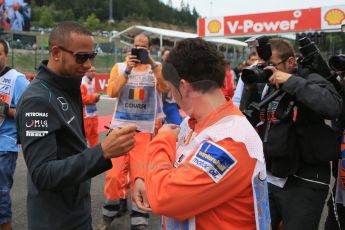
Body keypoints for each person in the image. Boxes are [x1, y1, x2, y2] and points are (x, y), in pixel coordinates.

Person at [133, 38, 271, 229]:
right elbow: (175, 164)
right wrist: (142, 176)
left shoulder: (231, 141)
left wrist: (161, 140)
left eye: (172, 90)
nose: (173, 96)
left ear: (183, 86)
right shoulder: (194, 122)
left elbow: (164, 197)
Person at [15, 21, 138, 230]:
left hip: (76, 210)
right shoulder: (38, 99)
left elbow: (70, 150)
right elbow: (43, 174)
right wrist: (103, 151)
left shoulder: (66, 87)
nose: (89, 65)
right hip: (55, 221)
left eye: (92, 56)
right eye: (82, 57)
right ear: (56, 53)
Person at [254, 38, 342, 230]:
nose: (268, 70)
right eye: (264, 65)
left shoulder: (309, 78)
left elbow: (333, 106)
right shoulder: (267, 84)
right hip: (271, 174)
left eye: (272, 65)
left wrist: (291, 81)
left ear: (291, 62)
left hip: (304, 180)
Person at [101, 33, 166, 230]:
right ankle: (110, 211)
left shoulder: (156, 69)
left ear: (149, 49)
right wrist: (128, 70)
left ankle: (140, 218)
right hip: (120, 129)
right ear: (131, 48)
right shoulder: (120, 67)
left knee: (141, 175)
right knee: (113, 174)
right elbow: (111, 92)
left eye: (143, 47)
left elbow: (165, 87)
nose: (138, 49)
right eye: (136, 46)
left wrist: (153, 63)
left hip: (145, 131)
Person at [0, 38, 29, 230]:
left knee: (0, 196)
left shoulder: (16, 79)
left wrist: (4, 109)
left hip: (4, 145)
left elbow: (29, 112)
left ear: (6, 55)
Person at [161, 48, 182, 125]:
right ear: (162, 56)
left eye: (169, 55)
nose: (167, 57)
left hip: (172, 104)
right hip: (162, 104)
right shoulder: (158, 69)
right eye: (166, 55)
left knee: (178, 124)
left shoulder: (176, 69)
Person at [81, 66, 100, 147]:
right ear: (86, 72)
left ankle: (94, 152)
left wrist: (96, 98)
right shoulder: (82, 83)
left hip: (93, 113)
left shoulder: (92, 81)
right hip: (86, 115)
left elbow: (94, 95)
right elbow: (81, 98)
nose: (93, 72)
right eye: (91, 71)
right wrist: (94, 97)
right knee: (84, 136)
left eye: (94, 71)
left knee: (94, 134)